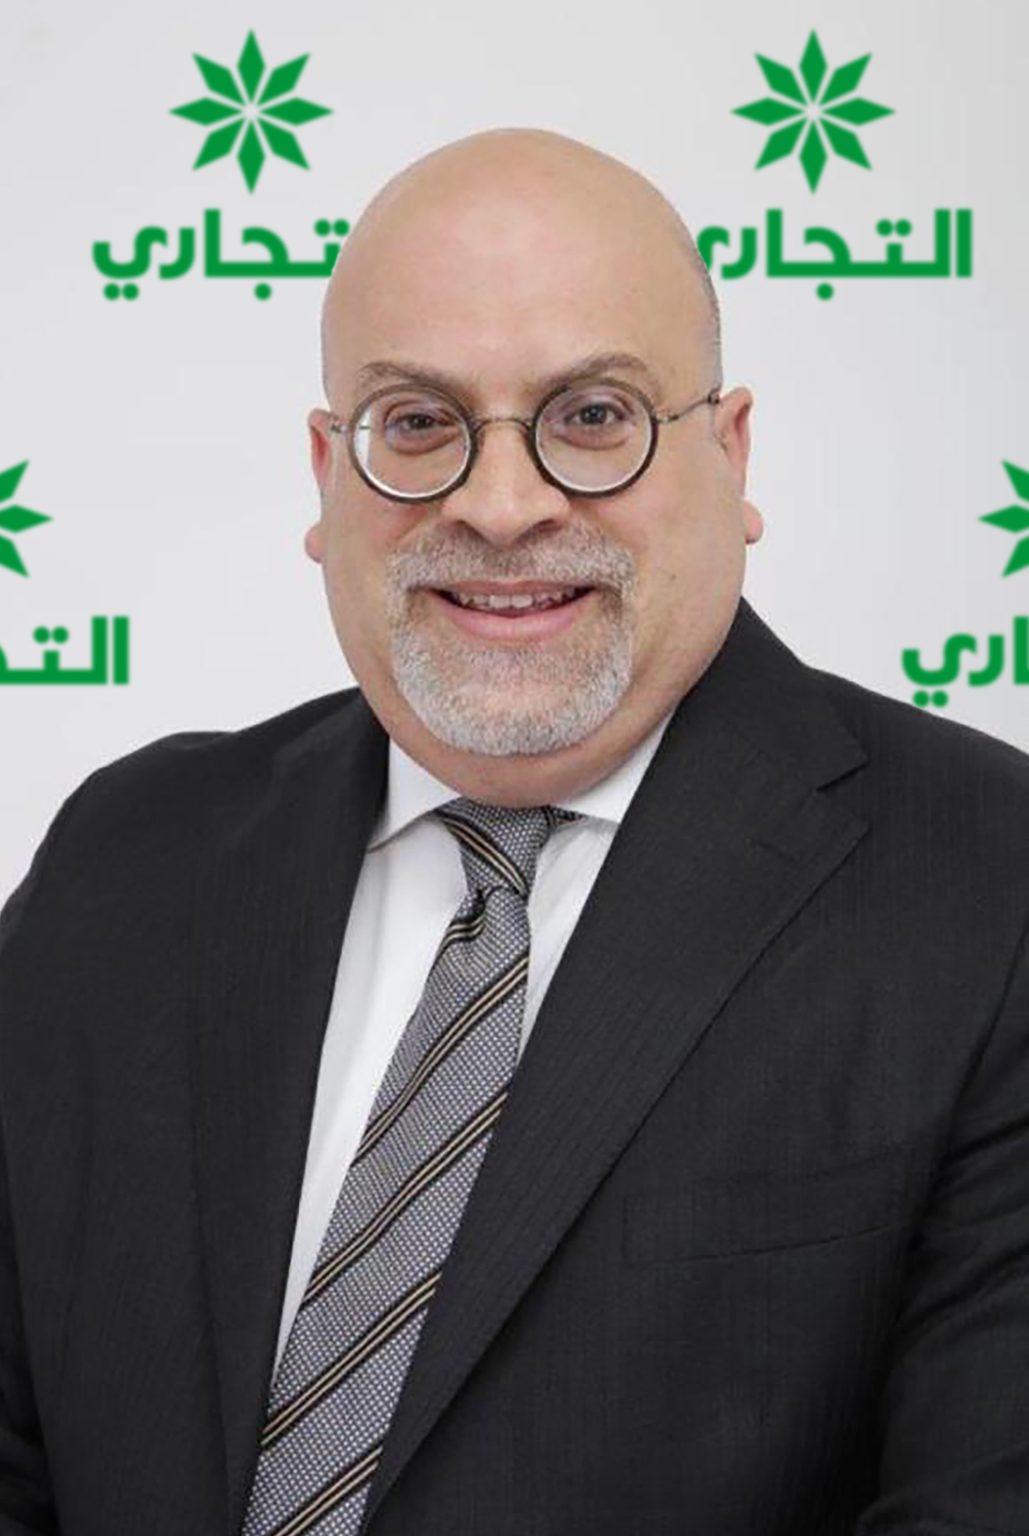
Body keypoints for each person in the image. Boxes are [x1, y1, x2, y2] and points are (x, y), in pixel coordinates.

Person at [0, 126, 1027, 1536]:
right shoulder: (127, 859)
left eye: (593, 415)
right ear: (328, 471)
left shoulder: (989, 886)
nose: (498, 506)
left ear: (730, 454)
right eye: (418, 422)